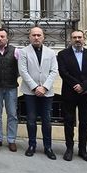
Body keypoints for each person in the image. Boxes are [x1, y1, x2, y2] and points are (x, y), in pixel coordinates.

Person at [57, 30, 87, 162]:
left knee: (84, 123)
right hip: (70, 93)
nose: (77, 40)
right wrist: (76, 85)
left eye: (79, 37)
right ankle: (69, 149)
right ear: (71, 39)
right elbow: (63, 72)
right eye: (74, 37)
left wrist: (84, 86)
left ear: (84, 39)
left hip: (86, 94)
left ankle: (83, 150)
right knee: (69, 122)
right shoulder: (63, 54)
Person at [19, 26, 59, 160]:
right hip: (30, 92)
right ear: (29, 37)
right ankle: (32, 145)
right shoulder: (23, 52)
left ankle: (48, 147)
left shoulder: (51, 52)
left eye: (39, 35)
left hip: (47, 92)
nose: (36, 37)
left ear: (43, 37)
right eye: (33, 35)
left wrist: (45, 87)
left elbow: (54, 71)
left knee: (47, 120)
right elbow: (23, 71)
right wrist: (35, 87)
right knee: (31, 120)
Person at [0, 28, 20, 152]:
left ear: (7, 38)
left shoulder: (15, 51)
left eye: (2, 36)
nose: (0, 38)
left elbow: (21, 68)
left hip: (11, 87)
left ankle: (11, 140)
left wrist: (14, 76)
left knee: (12, 114)